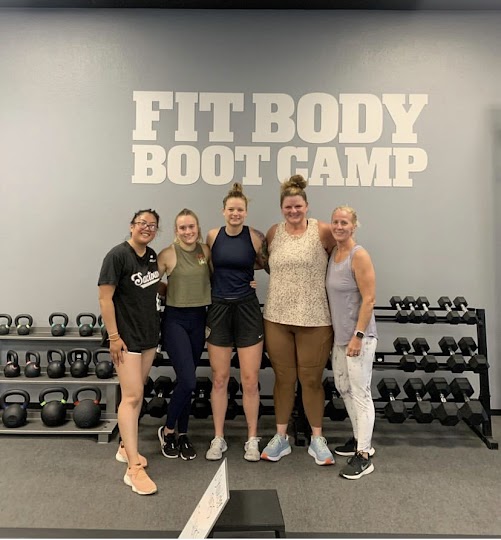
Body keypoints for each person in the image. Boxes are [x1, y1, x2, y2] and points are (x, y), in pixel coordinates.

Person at [261, 174, 336, 466]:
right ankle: (281, 437)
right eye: (288, 207)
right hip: (277, 317)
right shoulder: (273, 233)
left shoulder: (323, 231)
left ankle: (318, 439)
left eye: (298, 206)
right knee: (284, 379)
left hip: (315, 318)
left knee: (311, 380)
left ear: (306, 206)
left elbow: (342, 259)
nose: (293, 211)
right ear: (282, 208)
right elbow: (269, 266)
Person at [98, 209, 161, 496]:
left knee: (136, 393)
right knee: (132, 396)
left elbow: (150, 289)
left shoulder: (152, 256)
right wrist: (114, 337)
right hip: (125, 337)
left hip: (148, 334)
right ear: (132, 226)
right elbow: (105, 298)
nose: (147, 228)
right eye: (142, 223)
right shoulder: (117, 255)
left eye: (153, 225)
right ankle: (133, 469)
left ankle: (126, 447)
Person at [204, 183, 266, 462]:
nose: (235, 213)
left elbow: (263, 263)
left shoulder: (254, 237)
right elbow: (208, 269)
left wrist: (248, 279)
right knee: (219, 379)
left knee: (250, 380)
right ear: (223, 211)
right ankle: (218, 438)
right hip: (219, 308)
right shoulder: (212, 236)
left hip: (247, 309)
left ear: (246, 212)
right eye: (231, 209)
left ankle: (252, 439)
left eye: (240, 209)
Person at [326, 205, 378, 480]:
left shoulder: (359, 255)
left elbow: (369, 299)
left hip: (359, 337)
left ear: (354, 226)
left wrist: (358, 335)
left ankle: (364, 455)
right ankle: (359, 438)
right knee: (343, 387)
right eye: (335, 222)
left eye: (344, 222)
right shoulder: (334, 254)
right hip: (340, 337)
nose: (339, 226)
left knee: (360, 393)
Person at [156, 209, 211, 461]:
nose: (188, 231)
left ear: (197, 228)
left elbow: (218, 278)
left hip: (199, 319)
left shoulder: (205, 251)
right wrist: (168, 289)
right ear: (176, 230)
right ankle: (168, 431)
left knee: (184, 381)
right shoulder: (167, 254)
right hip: (175, 320)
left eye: (191, 227)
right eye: (182, 228)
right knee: (189, 381)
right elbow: (149, 283)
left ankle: (183, 434)